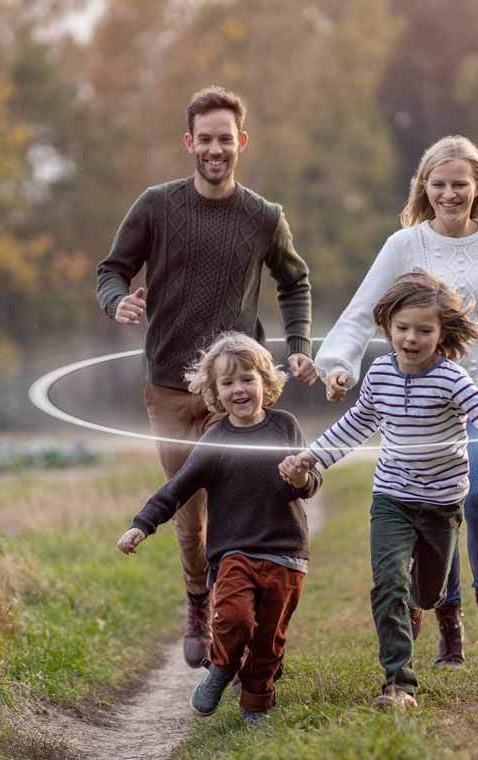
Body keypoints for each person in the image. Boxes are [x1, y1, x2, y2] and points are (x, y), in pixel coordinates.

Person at [313, 135, 478, 666]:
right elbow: (365, 309)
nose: (450, 194)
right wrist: (338, 365)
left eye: (460, 185)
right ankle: (449, 620)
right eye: (440, 184)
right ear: (425, 187)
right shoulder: (405, 245)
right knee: (439, 503)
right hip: (427, 397)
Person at [96, 86, 318, 668]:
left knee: (242, 503)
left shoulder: (264, 216)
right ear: (189, 142)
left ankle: (232, 603)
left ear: (240, 142)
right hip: (170, 384)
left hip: (235, 389)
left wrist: (295, 346)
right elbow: (111, 269)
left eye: (226, 139)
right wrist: (116, 300)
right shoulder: (155, 206)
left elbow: (294, 281)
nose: (215, 149)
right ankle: (200, 599)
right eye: (205, 139)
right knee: (189, 511)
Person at [280, 270, 478, 708]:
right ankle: (398, 684)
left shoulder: (452, 380)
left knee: (425, 594)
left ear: (442, 331)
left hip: (442, 503)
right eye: (402, 328)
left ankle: (416, 607)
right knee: (388, 582)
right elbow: (356, 424)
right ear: (387, 325)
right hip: (391, 497)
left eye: (424, 330)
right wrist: (312, 457)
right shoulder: (380, 373)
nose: (411, 338)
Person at [117, 332, 320, 725]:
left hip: (287, 554)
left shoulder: (285, 427)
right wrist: (141, 525)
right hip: (235, 553)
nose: (239, 389)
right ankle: (222, 668)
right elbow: (176, 488)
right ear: (214, 392)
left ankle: (255, 704)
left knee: (269, 639)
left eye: (247, 378)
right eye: (227, 383)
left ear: (266, 382)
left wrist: (300, 479)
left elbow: (311, 484)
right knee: (234, 619)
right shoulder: (216, 439)